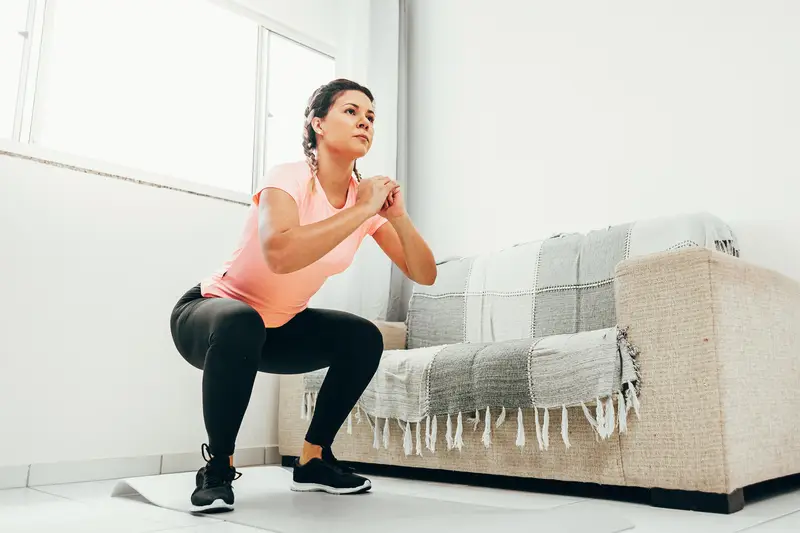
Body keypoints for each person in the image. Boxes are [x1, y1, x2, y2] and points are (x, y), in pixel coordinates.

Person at [169, 78, 437, 511]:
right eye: (351, 111)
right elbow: (280, 254)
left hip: (277, 329)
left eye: (370, 117)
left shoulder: (360, 202)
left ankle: (313, 461)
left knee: (364, 337)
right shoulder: (288, 178)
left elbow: (424, 274)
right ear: (318, 124)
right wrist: (363, 210)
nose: (365, 122)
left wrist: (398, 217)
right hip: (209, 316)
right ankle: (218, 467)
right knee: (242, 321)